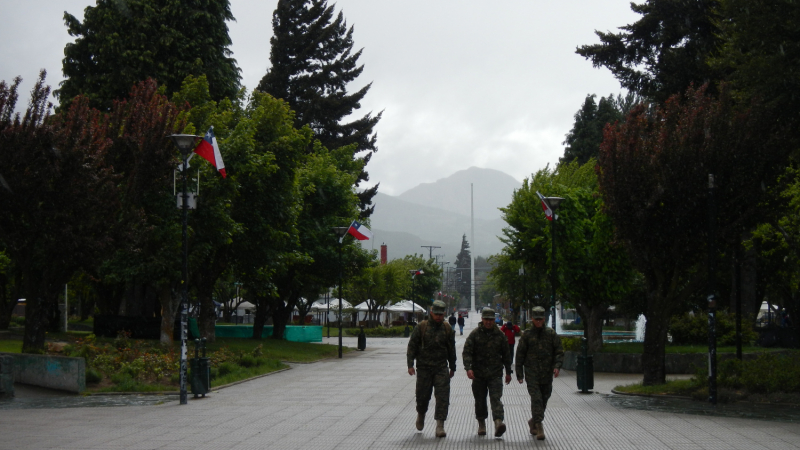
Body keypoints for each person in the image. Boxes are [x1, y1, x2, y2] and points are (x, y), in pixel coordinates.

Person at [407, 299, 456, 438]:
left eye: (441, 314)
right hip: (424, 368)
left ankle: (440, 425)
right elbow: (412, 346)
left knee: (442, 397)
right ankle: (421, 414)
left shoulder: (447, 328)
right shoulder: (421, 327)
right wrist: (410, 364)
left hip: (441, 368)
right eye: (436, 314)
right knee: (422, 396)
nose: (439, 317)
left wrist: (453, 366)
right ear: (431, 313)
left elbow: (451, 349)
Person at [515, 306, 564, 441]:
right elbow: (520, 354)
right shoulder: (527, 335)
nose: (538, 322)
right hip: (532, 374)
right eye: (536, 319)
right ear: (532, 319)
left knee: (544, 399)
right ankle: (539, 426)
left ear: (544, 319)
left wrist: (557, 366)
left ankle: (533, 420)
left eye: (540, 319)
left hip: (546, 373)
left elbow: (559, 351)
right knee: (536, 399)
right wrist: (519, 373)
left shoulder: (551, 334)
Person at [463, 308, 512, 437]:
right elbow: (467, 352)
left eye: (491, 319)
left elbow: (507, 355)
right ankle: (481, 424)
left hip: (495, 374)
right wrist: (468, 368)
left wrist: (508, 372)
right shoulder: (475, 334)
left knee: (496, 398)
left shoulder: (500, 335)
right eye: (486, 319)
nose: (489, 322)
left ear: (494, 320)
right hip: (478, 374)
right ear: (482, 319)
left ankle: (498, 423)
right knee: (480, 400)